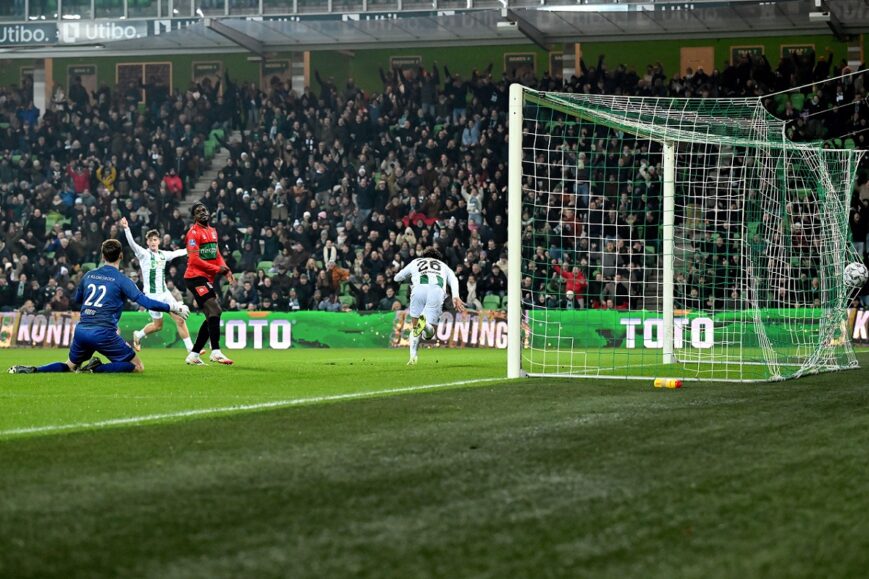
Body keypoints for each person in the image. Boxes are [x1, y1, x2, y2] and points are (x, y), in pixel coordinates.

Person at [8, 239, 190, 374]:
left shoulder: (89, 275)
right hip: (103, 332)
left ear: (102, 256)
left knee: (70, 366)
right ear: (121, 256)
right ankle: (97, 368)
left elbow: (76, 299)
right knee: (137, 367)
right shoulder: (122, 280)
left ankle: (34, 370)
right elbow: (145, 302)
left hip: (82, 330)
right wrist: (172, 307)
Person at [120, 217, 194, 355]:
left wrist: (191, 249)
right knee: (158, 326)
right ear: (147, 242)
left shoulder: (163, 254)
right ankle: (139, 334)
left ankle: (192, 351)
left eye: (155, 239)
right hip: (152, 296)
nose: (153, 242)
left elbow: (177, 253)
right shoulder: (144, 254)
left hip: (165, 293)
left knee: (179, 318)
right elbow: (132, 244)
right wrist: (126, 228)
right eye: (150, 240)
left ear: (158, 241)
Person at [394, 246, 465, 366]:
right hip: (436, 292)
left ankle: (413, 357)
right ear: (437, 257)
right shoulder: (443, 265)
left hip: (418, 290)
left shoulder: (416, 262)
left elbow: (397, 277)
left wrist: (407, 277)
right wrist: (455, 296)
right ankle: (426, 325)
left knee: (416, 328)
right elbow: (453, 279)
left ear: (423, 256)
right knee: (428, 335)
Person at [184, 201, 235, 366]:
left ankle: (193, 355)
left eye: (204, 210)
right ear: (194, 217)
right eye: (198, 211)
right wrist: (216, 269)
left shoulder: (212, 231)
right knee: (215, 309)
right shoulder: (193, 233)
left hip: (206, 278)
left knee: (211, 316)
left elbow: (216, 253)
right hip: (195, 277)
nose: (203, 213)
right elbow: (193, 259)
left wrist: (226, 269)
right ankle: (216, 351)